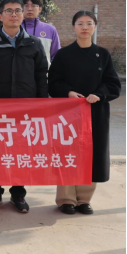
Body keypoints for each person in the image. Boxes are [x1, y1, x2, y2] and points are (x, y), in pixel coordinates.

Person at [0, 0, 49, 214]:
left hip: (25, 111)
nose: (14, 14)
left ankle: (18, 193)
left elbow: (41, 75)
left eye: (18, 11)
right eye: (9, 11)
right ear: (0, 16)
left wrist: (41, 104)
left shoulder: (34, 43)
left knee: (21, 153)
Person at [49, 11, 121, 215]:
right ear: (73, 27)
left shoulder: (103, 54)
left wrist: (99, 94)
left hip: (96, 112)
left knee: (92, 154)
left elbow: (113, 84)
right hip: (68, 113)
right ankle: (66, 199)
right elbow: (53, 82)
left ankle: (84, 199)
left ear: (95, 27)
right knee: (68, 153)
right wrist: (68, 92)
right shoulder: (63, 54)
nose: (84, 27)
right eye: (80, 23)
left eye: (89, 23)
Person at [22, 0, 61, 65]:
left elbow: (56, 55)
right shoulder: (15, 28)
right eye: (26, 6)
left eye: (33, 6)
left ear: (40, 9)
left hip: (44, 71)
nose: (29, 9)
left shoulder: (50, 29)